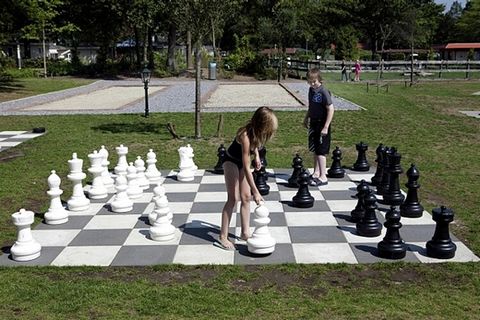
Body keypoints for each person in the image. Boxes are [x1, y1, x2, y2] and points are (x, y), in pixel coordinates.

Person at [219, 107, 278, 250]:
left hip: (241, 163)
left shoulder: (255, 133)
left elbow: (255, 144)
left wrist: (257, 156)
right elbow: (246, 168)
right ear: (261, 124)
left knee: (246, 197)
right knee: (233, 198)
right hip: (231, 161)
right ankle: (223, 237)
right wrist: (256, 191)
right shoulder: (245, 136)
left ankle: (245, 232)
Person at [303, 68, 335, 186]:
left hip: (322, 123)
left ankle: (323, 176)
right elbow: (311, 107)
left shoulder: (324, 92)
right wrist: (306, 118)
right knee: (315, 148)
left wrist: (326, 126)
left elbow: (331, 109)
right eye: (309, 82)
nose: (312, 84)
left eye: (314, 82)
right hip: (314, 122)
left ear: (319, 79)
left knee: (321, 150)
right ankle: (316, 173)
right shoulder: (311, 90)